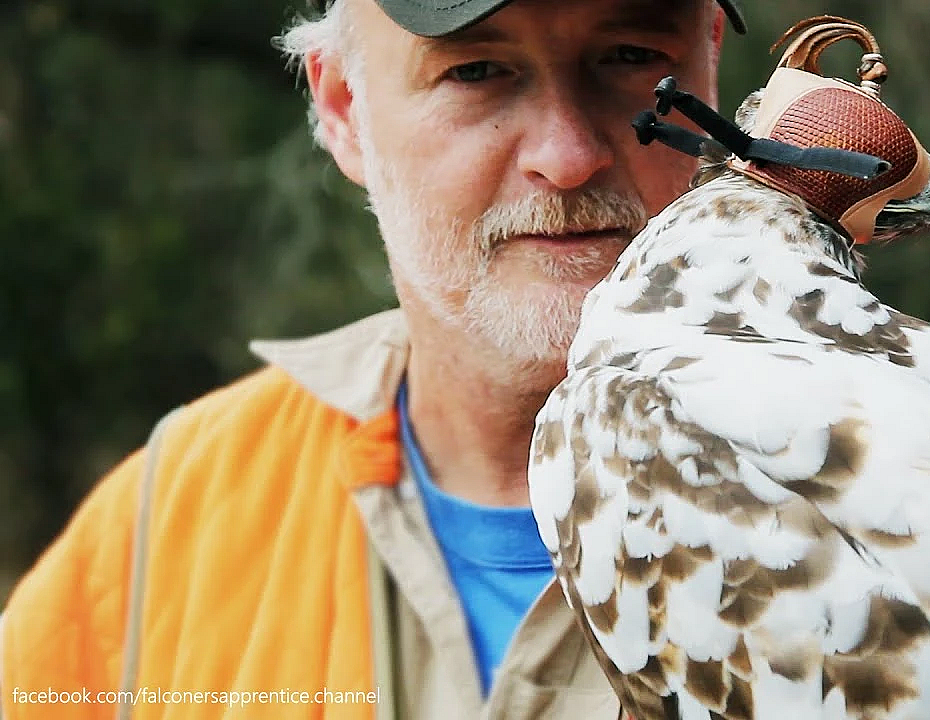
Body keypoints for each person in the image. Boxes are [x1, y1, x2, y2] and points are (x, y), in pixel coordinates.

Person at [0, 0, 746, 717]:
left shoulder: (856, 499)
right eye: (477, 71)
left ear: (710, 62)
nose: (568, 155)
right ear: (343, 106)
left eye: (630, 58)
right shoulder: (173, 516)